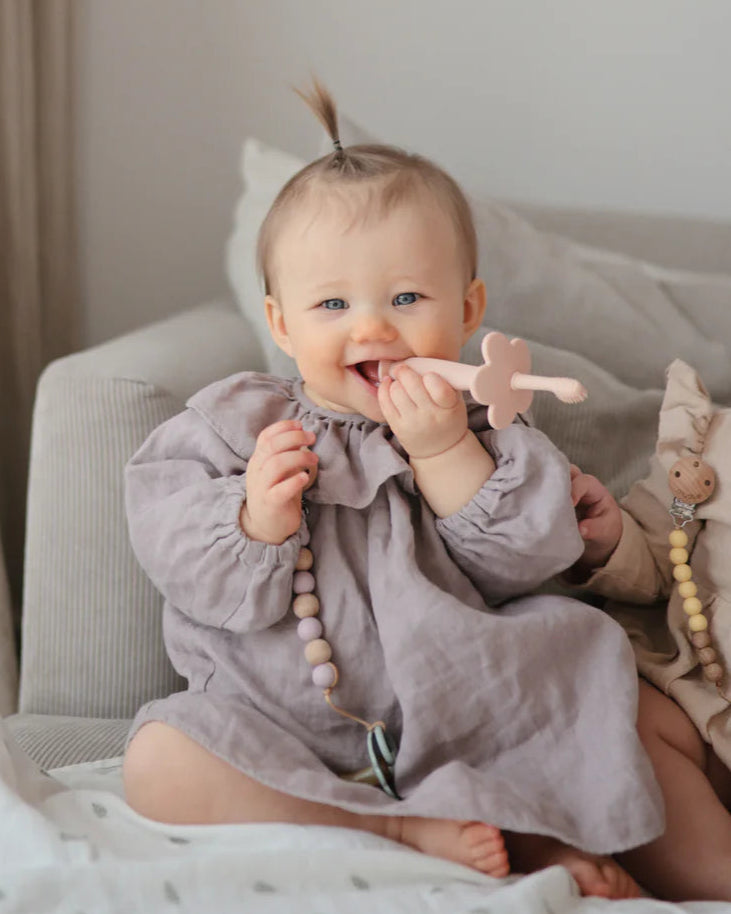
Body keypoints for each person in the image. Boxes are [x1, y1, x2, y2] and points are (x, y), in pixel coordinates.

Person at [122, 81, 663, 899]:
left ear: (468, 310)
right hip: (275, 721)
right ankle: (386, 828)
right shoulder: (235, 425)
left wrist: (443, 451)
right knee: (157, 759)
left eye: (407, 298)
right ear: (281, 323)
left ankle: (530, 831)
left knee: (581, 670)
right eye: (332, 303)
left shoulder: (481, 424)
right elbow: (174, 553)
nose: (371, 327)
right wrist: (254, 519)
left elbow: (525, 558)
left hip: (461, 708)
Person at [570, 463, 731, 901]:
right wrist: (608, 539)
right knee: (620, 721)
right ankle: (719, 879)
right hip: (697, 693)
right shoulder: (703, 450)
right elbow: (659, 558)